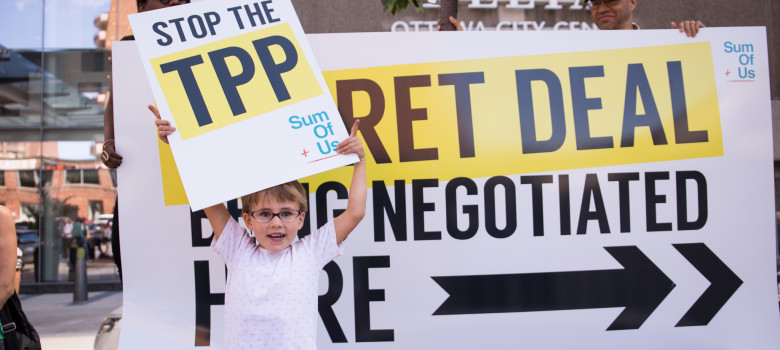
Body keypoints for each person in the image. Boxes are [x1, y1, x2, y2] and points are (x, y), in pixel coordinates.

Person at [154, 110, 367, 349]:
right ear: (248, 220)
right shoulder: (238, 249)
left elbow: (355, 213)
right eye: (265, 214)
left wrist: (359, 161)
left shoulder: (311, 252)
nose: (276, 222)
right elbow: (204, 192)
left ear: (301, 219)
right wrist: (176, 144)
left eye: (286, 213)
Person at [102, 0, 190, 281]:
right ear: (141, 8)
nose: (175, 3)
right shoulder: (130, 49)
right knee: (132, 255)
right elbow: (114, 105)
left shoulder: (206, 41)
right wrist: (108, 143)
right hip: (144, 177)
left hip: (189, 177)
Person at [439, 0, 705, 37]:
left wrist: (701, 41)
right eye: (595, 2)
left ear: (632, 2)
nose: (601, 8)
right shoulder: (576, 52)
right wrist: (465, 45)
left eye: (609, 0)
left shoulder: (665, 49)